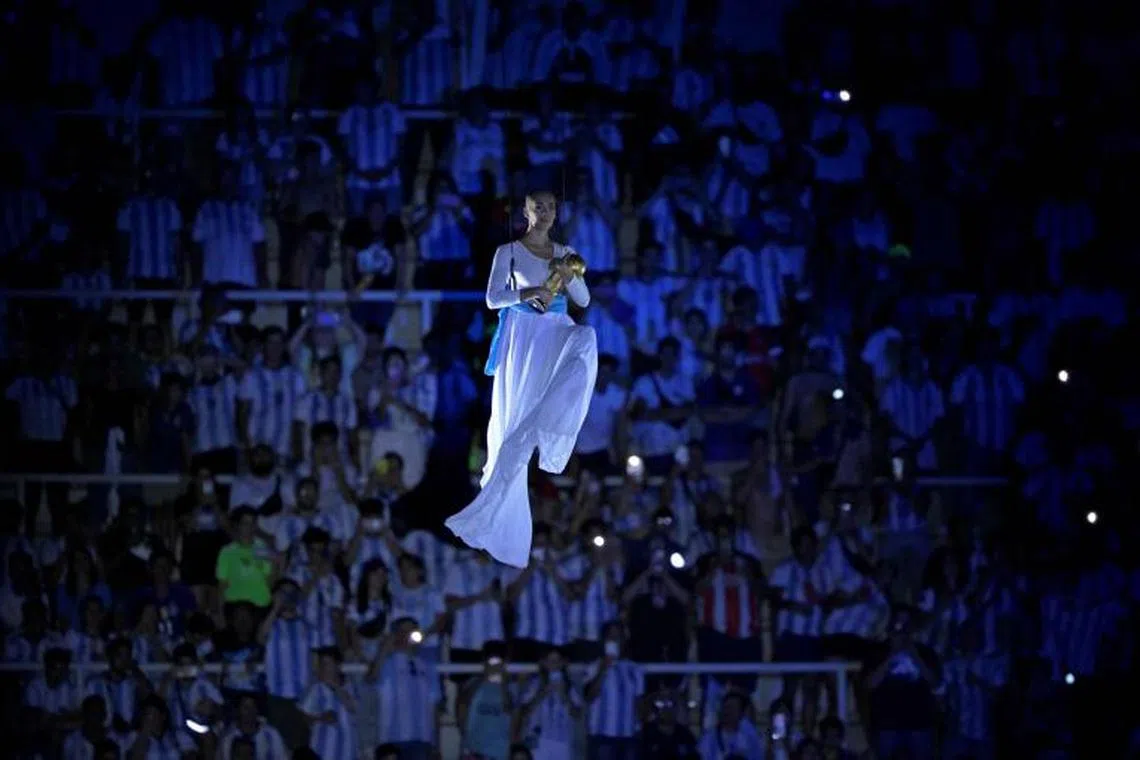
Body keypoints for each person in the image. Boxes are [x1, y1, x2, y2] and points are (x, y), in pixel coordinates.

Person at [446, 190, 598, 567]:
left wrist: (567, 274)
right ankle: (496, 507)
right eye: (539, 207)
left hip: (557, 330)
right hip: (524, 335)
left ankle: (549, 431)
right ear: (526, 212)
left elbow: (583, 300)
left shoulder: (565, 251)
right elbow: (493, 299)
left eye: (551, 207)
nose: (546, 212)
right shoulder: (509, 252)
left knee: (585, 342)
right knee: (510, 425)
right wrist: (529, 291)